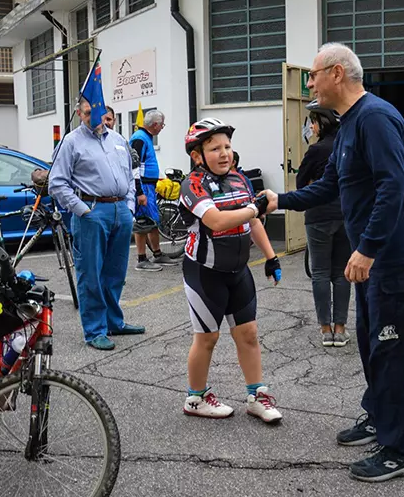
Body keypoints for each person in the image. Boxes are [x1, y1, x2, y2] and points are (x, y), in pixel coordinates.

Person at [262, 42, 404, 483]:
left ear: (337, 73)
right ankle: (379, 417)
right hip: (372, 262)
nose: (309, 83)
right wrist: (282, 200)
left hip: (390, 259)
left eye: (314, 75)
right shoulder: (350, 123)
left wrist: (369, 247)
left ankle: (401, 450)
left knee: (392, 351)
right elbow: (330, 184)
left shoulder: (374, 118)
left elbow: (395, 188)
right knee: (372, 345)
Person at [179, 118, 283, 423]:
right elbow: (217, 221)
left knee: (249, 334)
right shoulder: (192, 184)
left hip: (238, 271)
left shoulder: (240, 179)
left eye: (227, 146)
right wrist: (257, 208)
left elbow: (253, 222)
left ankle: (256, 395)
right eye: (215, 148)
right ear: (197, 155)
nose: (224, 153)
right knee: (207, 338)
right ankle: (195, 398)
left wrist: (271, 256)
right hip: (204, 272)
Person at [49, 98, 145, 351]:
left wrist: (129, 208)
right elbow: (57, 183)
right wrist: (82, 210)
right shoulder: (70, 142)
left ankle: (114, 322)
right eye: (89, 112)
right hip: (91, 211)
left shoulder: (118, 140)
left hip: (119, 210)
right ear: (79, 113)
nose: (95, 117)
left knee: (115, 273)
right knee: (90, 273)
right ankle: (94, 330)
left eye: (99, 112)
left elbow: (128, 176)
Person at [296, 99, 351, 347]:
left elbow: (300, 183)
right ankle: (340, 329)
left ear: (320, 123)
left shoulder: (316, 150)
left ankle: (325, 329)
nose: (311, 127)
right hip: (345, 213)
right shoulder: (348, 145)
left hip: (318, 215)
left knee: (320, 272)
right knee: (341, 273)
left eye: (313, 122)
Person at [129, 109, 177, 271]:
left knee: (152, 221)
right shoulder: (140, 139)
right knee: (143, 222)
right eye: (162, 125)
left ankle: (157, 254)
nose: (162, 128)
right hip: (143, 187)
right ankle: (142, 259)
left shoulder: (145, 138)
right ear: (155, 125)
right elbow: (133, 166)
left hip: (149, 186)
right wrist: (139, 192)